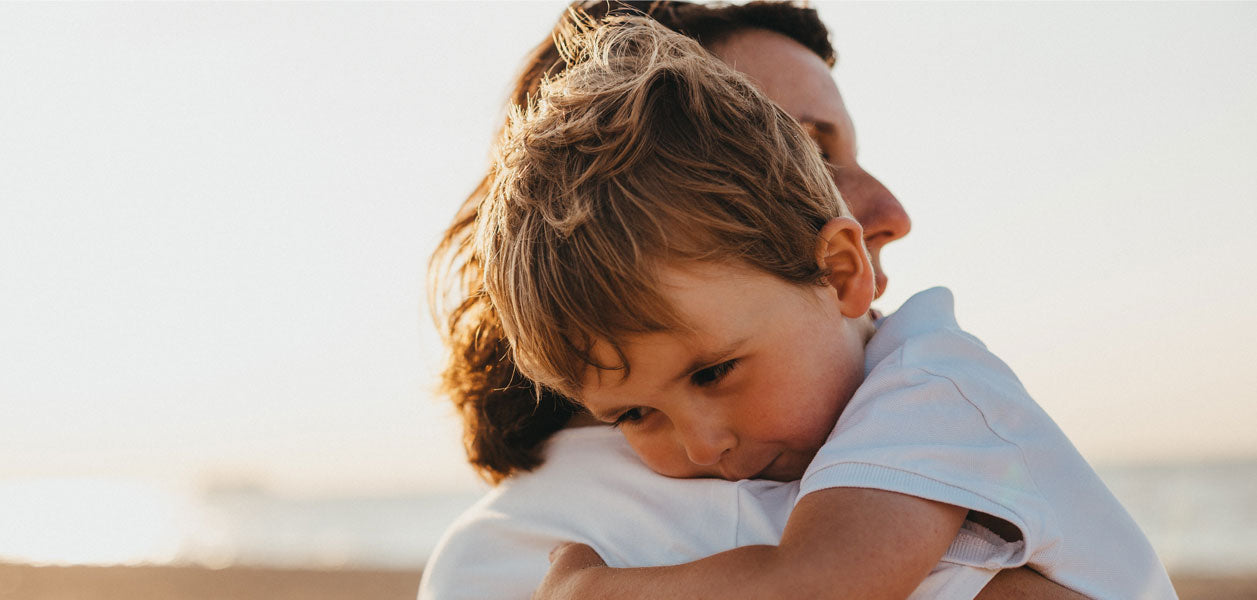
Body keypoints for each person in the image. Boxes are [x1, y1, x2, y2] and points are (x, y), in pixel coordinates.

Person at [475, 14, 1175, 600]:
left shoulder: (928, 389)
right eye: (633, 414)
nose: (701, 447)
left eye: (713, 372)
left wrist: (596, 590)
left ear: (839, 273)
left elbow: (811, 586)